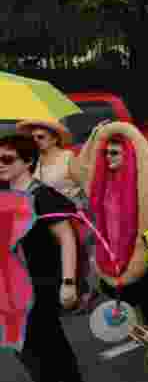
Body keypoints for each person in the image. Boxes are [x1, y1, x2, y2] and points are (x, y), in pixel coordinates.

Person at [1, 133, 88, 382]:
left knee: (28, 345)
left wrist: (68, 282)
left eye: (7, 159)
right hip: (12, 283)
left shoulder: (42, 196)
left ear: (27, 161)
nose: (1, 165)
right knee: (50, 338)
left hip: (41, 283)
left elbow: (66, 239)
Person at [75, 122, 148, 335]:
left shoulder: (145, 175)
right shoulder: (103, 178)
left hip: (139, 240)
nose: (108, 157)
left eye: (114, 153)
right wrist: (94, 136)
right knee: (112, 285)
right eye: (106, 152)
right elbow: (79, 167)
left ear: (127, 153)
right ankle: (140, 319)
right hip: (111, 240)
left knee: (141, 286)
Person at [17, 119, 95, 306]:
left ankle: (81, 291)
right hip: (43, 217)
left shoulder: (67, 157)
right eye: (32, 137)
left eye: (40, 137)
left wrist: (88, 210)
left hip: (71, 214)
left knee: (76, 250)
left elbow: (88, 186)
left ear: (54, 139)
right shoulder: (32, 162)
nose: (35, 140)